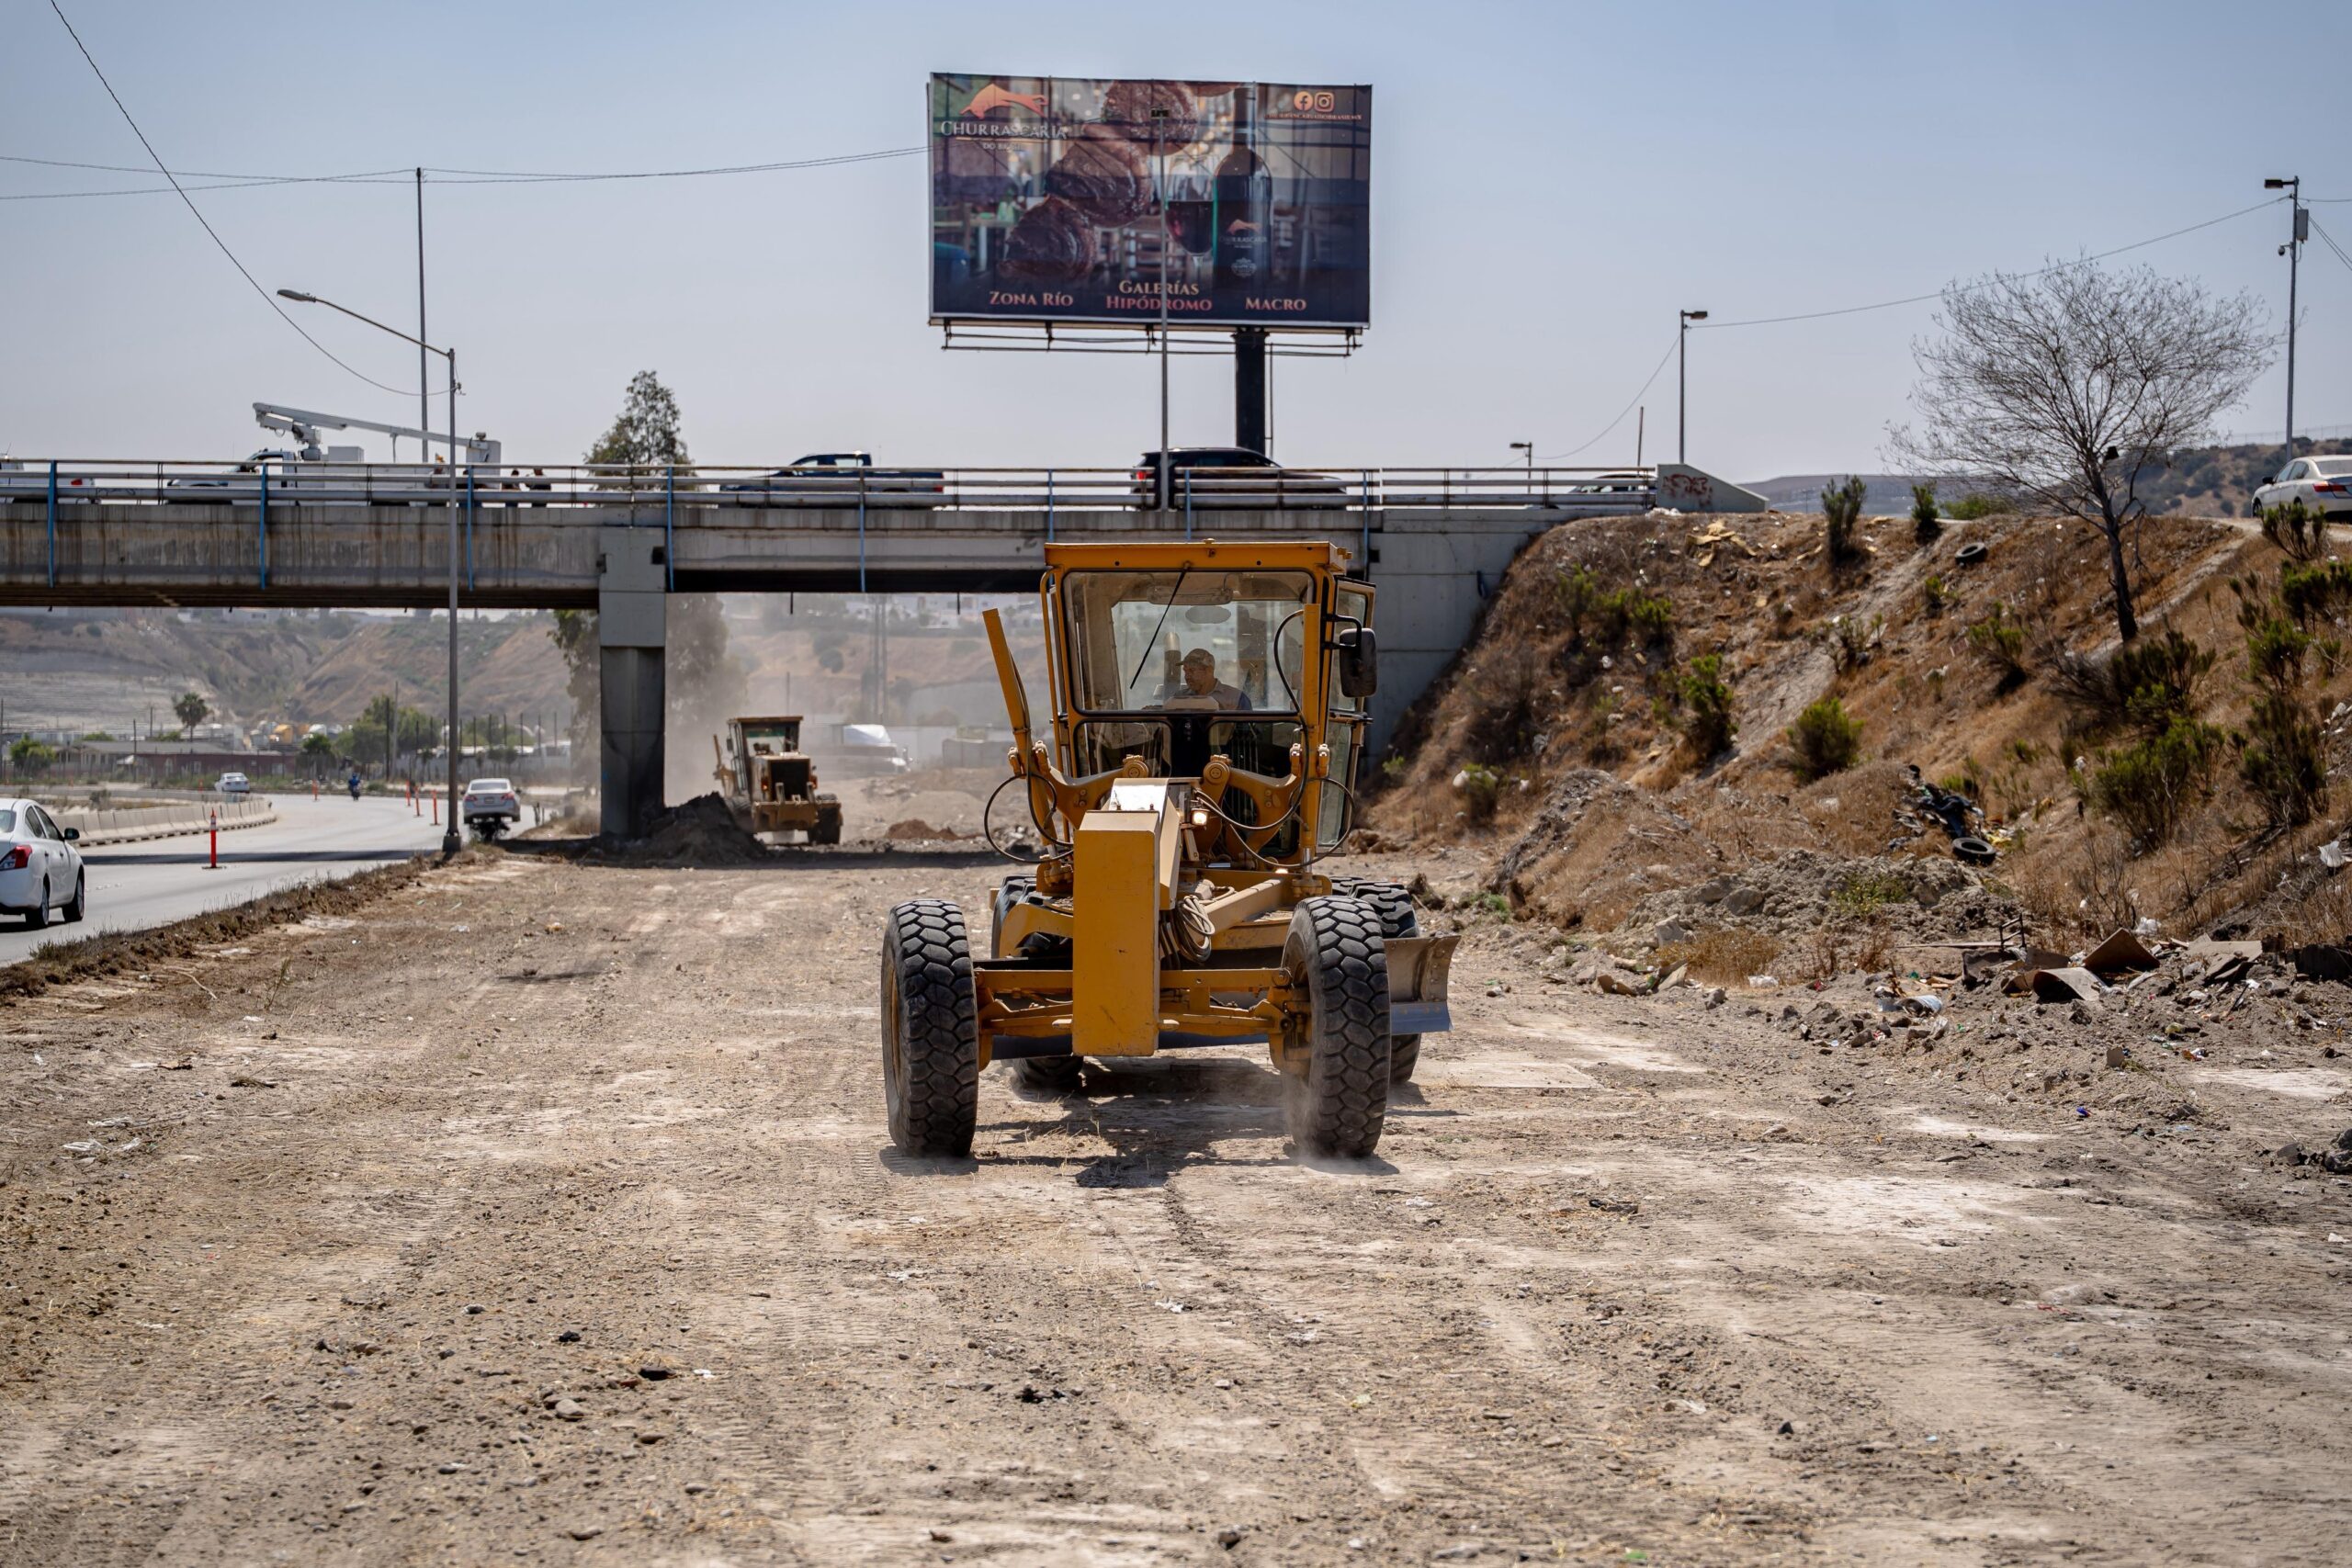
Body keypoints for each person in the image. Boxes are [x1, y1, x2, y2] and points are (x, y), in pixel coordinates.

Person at [1156, 649, 1251, 711]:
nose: (1187, 677)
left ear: (1209, 670)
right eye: (1185, 671)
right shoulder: (1179, 698)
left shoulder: (1237, 699)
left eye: (1192, 670)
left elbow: (1246, 734)